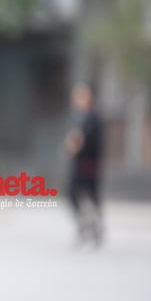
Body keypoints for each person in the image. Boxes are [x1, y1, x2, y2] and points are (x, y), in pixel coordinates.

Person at [64, 80, 105, 247]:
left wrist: (81, 143)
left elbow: (94, 141)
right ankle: (84, 223)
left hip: (90, 161)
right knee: (72, 193)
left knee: (91, 194)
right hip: (77, 162)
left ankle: (95, 225)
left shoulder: (94, 118)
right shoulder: (75, 117)